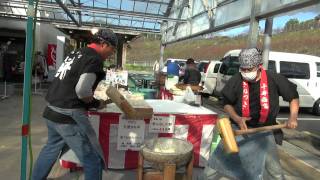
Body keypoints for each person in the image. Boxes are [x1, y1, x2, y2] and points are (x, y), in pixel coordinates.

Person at [32, 29, 118, 180]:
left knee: (50, 149)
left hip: (51, 109)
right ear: (104, 44)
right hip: (68, 115)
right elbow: (82, 90)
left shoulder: (77, 52)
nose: (112, 53)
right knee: (93, 159)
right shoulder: (94, 58)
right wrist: (95, 103)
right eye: (112, 49)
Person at [204, 48, 299, 180]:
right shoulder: (237, 80)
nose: (245, 72)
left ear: (259, 66)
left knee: (275, 171)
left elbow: (293, 97)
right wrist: (237, 118)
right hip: (238, 129)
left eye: (249, 69)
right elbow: (226, 103)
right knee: (214, 166)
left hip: (265, 131)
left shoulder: (274, 78)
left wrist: (293, 117)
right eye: (243, 69)